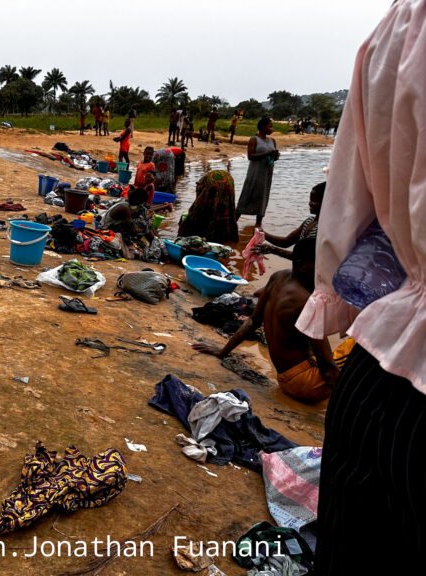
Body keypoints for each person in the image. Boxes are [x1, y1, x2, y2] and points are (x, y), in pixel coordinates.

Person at [295, 2, 426, 573]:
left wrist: (335, 291)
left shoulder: (402, 26)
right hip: (378, 378)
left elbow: (351, 198)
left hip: (381, 391)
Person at [192, 238, 345, 403]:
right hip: (304, 385)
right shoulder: (308, 302)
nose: (324, 270)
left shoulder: (278, 277)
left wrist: (222, 351)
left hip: (286, 379)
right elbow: (328, 369)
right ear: (301, 264)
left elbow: (252, 322)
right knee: (356, 347)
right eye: (319, 265)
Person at [258, 182, 325, 260]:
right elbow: (286, 242)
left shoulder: (322, 229)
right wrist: (263, 234)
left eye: (314, 201)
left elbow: (304, 257)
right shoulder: (309, 221)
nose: (310, 204)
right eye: (310, 200)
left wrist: (273, 250)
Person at [236, 116, 280, 227]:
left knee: (263, 196)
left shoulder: (272, 141)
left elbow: (273, 158)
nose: (272, 129)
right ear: (262, 127)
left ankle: (258, 225)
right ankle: (233, 222)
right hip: (254, 174)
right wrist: (267, 153)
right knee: (247, 195)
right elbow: (250, 156)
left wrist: (276, 156)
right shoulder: (254, 140)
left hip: (266, 175)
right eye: (269, 126)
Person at [177, 170, 238, 244]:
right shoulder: (230, 220)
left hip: (206, 240)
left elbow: (193, 218)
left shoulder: (200, 208)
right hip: (225, 239)